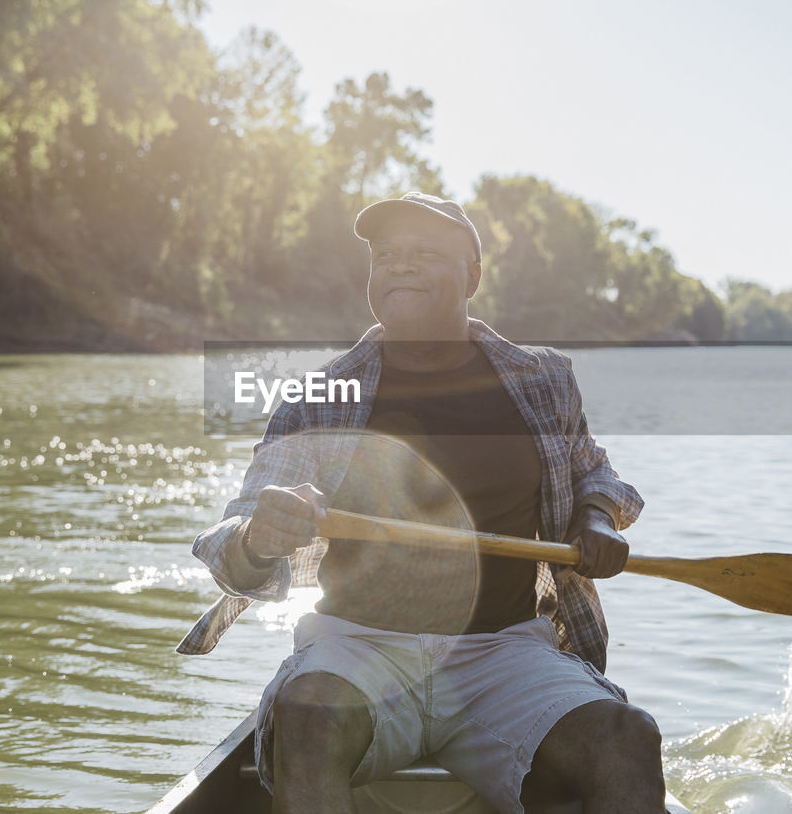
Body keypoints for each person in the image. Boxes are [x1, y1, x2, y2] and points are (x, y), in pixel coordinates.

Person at [180, 192, 665, 813]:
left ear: (473, 275)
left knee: (628, 737)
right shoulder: (319, 396)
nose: (399, 267)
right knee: (305, 720)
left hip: (506, 652)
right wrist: (260, 535)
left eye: (424, 254)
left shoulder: (542, 379)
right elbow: (236, 542)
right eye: (385, 257)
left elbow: (596, 473)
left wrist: (596, 518)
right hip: (359, 648)